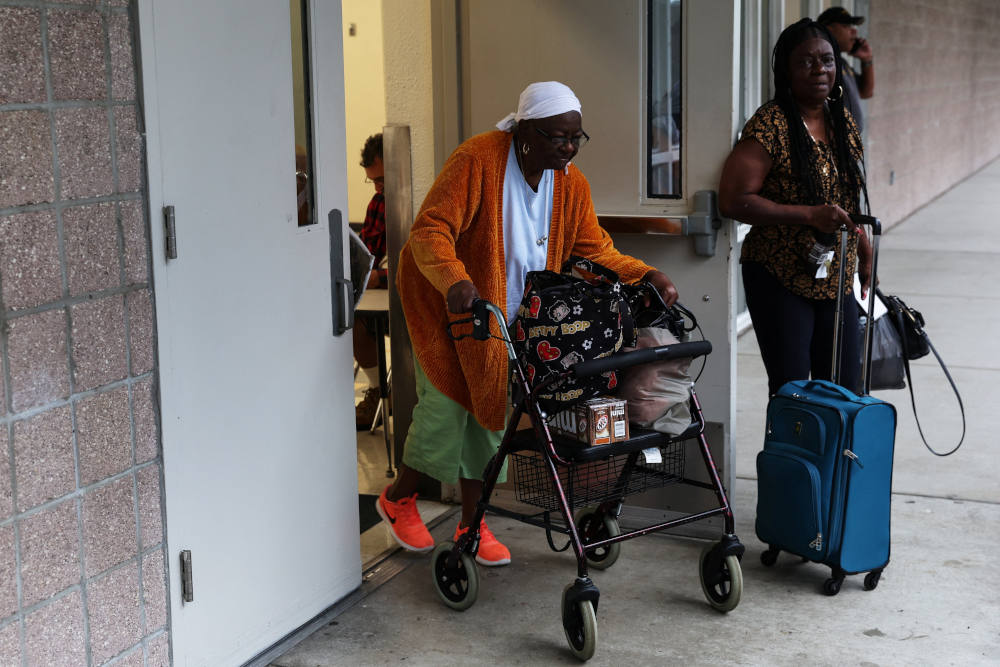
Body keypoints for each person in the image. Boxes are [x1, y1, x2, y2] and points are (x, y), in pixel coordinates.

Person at [374, 81, 679, 565]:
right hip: (449, 304)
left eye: (577, 137)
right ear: (525, 132)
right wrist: (455, 280)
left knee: (490, 413)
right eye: (559, 137)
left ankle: (472, 525)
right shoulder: (478, 159)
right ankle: (398, 498)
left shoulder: (570, 181)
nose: (569, 147)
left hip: (512, 316)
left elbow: (593, 248)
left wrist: (647, 274)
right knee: (447, 412)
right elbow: (431, 229)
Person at [718, 18, 874, 397]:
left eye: (827, 60)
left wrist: (863, 246)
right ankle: (793, 458)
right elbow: (734, 200)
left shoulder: (842, 121)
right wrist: (808, 214)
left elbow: (846, 195)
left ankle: (834, 459)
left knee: (843, 387)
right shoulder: (771, 124)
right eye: (806, 62)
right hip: (778, 273)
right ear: (786, 70)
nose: (820, 70)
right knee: (792, 391)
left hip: (834, 274)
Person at [354, 133, 390, 429]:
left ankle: (387, 396)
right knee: (353, 322)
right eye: (373, 182)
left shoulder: (424, 197)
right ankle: (380, 392)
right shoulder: (379, 203)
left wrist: (381, 278)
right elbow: (368, 257)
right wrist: (369, 275)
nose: (378, 189)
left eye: (382, 180)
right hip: (386, 299)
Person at [818, 6, 874, 133]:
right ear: (828, 29)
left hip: (848, 145)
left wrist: (867, 60)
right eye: (846, 26)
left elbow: (866, 92)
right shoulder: (821, 64)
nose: (854, 32)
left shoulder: (841, 62)